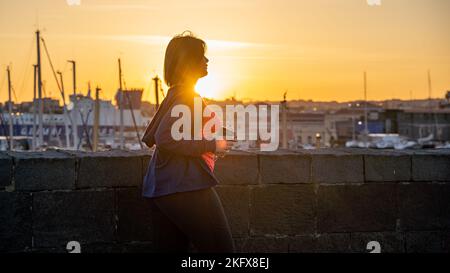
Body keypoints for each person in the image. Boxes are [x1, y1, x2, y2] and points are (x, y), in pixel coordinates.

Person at [141, 31, 236, 253]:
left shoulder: (176, 93)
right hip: (186, 187)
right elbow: (165, 138)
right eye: (201, 56)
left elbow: (162, 133)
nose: (207, 60)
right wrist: (212, 146)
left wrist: (217, 134)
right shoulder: (187, 97)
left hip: (161, 189)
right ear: (189, 62)